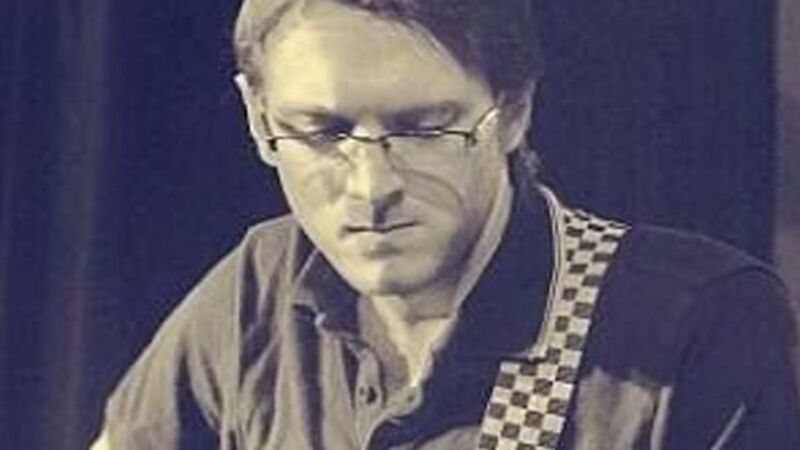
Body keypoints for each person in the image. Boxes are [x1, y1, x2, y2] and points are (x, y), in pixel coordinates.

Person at [90, 0, 800, 449]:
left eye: (426, 129)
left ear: (513, 112)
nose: (372, 188)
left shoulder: (698, 324)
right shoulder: (262, 281)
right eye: (323, 132)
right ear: (257, 117)